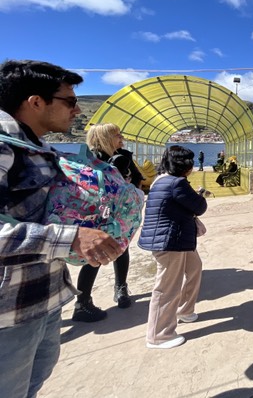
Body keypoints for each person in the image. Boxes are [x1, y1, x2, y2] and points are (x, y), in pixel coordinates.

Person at [0, 59, 123, 398]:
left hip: (42, 299)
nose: (77, 110)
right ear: (36, 102)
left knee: (32, 385)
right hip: (8, 313)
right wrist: (72, 238)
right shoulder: (4, 145)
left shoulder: (39, 149)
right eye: (69, 101)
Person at [71, 123, 144, 322]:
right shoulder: (90, 159)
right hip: (96, 214)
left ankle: (121, 288)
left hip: (119, 213)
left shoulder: (123, 156)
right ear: (104, 137)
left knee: (121, 247)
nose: (122, 139)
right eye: (117, 135)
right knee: (94, 253)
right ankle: (82, 302)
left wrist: (128, 191)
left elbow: (138, 179)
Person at [138, 145, 207, 349]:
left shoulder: (162, 180)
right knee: (167, 287)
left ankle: (185, 310)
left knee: (194, 268)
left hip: (175, 238)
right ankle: (158, 335)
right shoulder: (177, 183)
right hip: (170, 241)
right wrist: (200, 195)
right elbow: (199, 207)